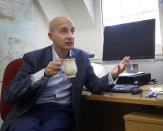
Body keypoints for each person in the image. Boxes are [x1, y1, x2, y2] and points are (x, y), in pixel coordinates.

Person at [0, 17, 130, 131]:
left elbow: (94, 85)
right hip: (31, 110)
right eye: (64, 31)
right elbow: (9, 94)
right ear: (51, 36)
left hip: (60, 111)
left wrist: (113, 75)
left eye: (72, 31)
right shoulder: (34, 58)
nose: (70, 36)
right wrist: (43, 73)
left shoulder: (82, 57)